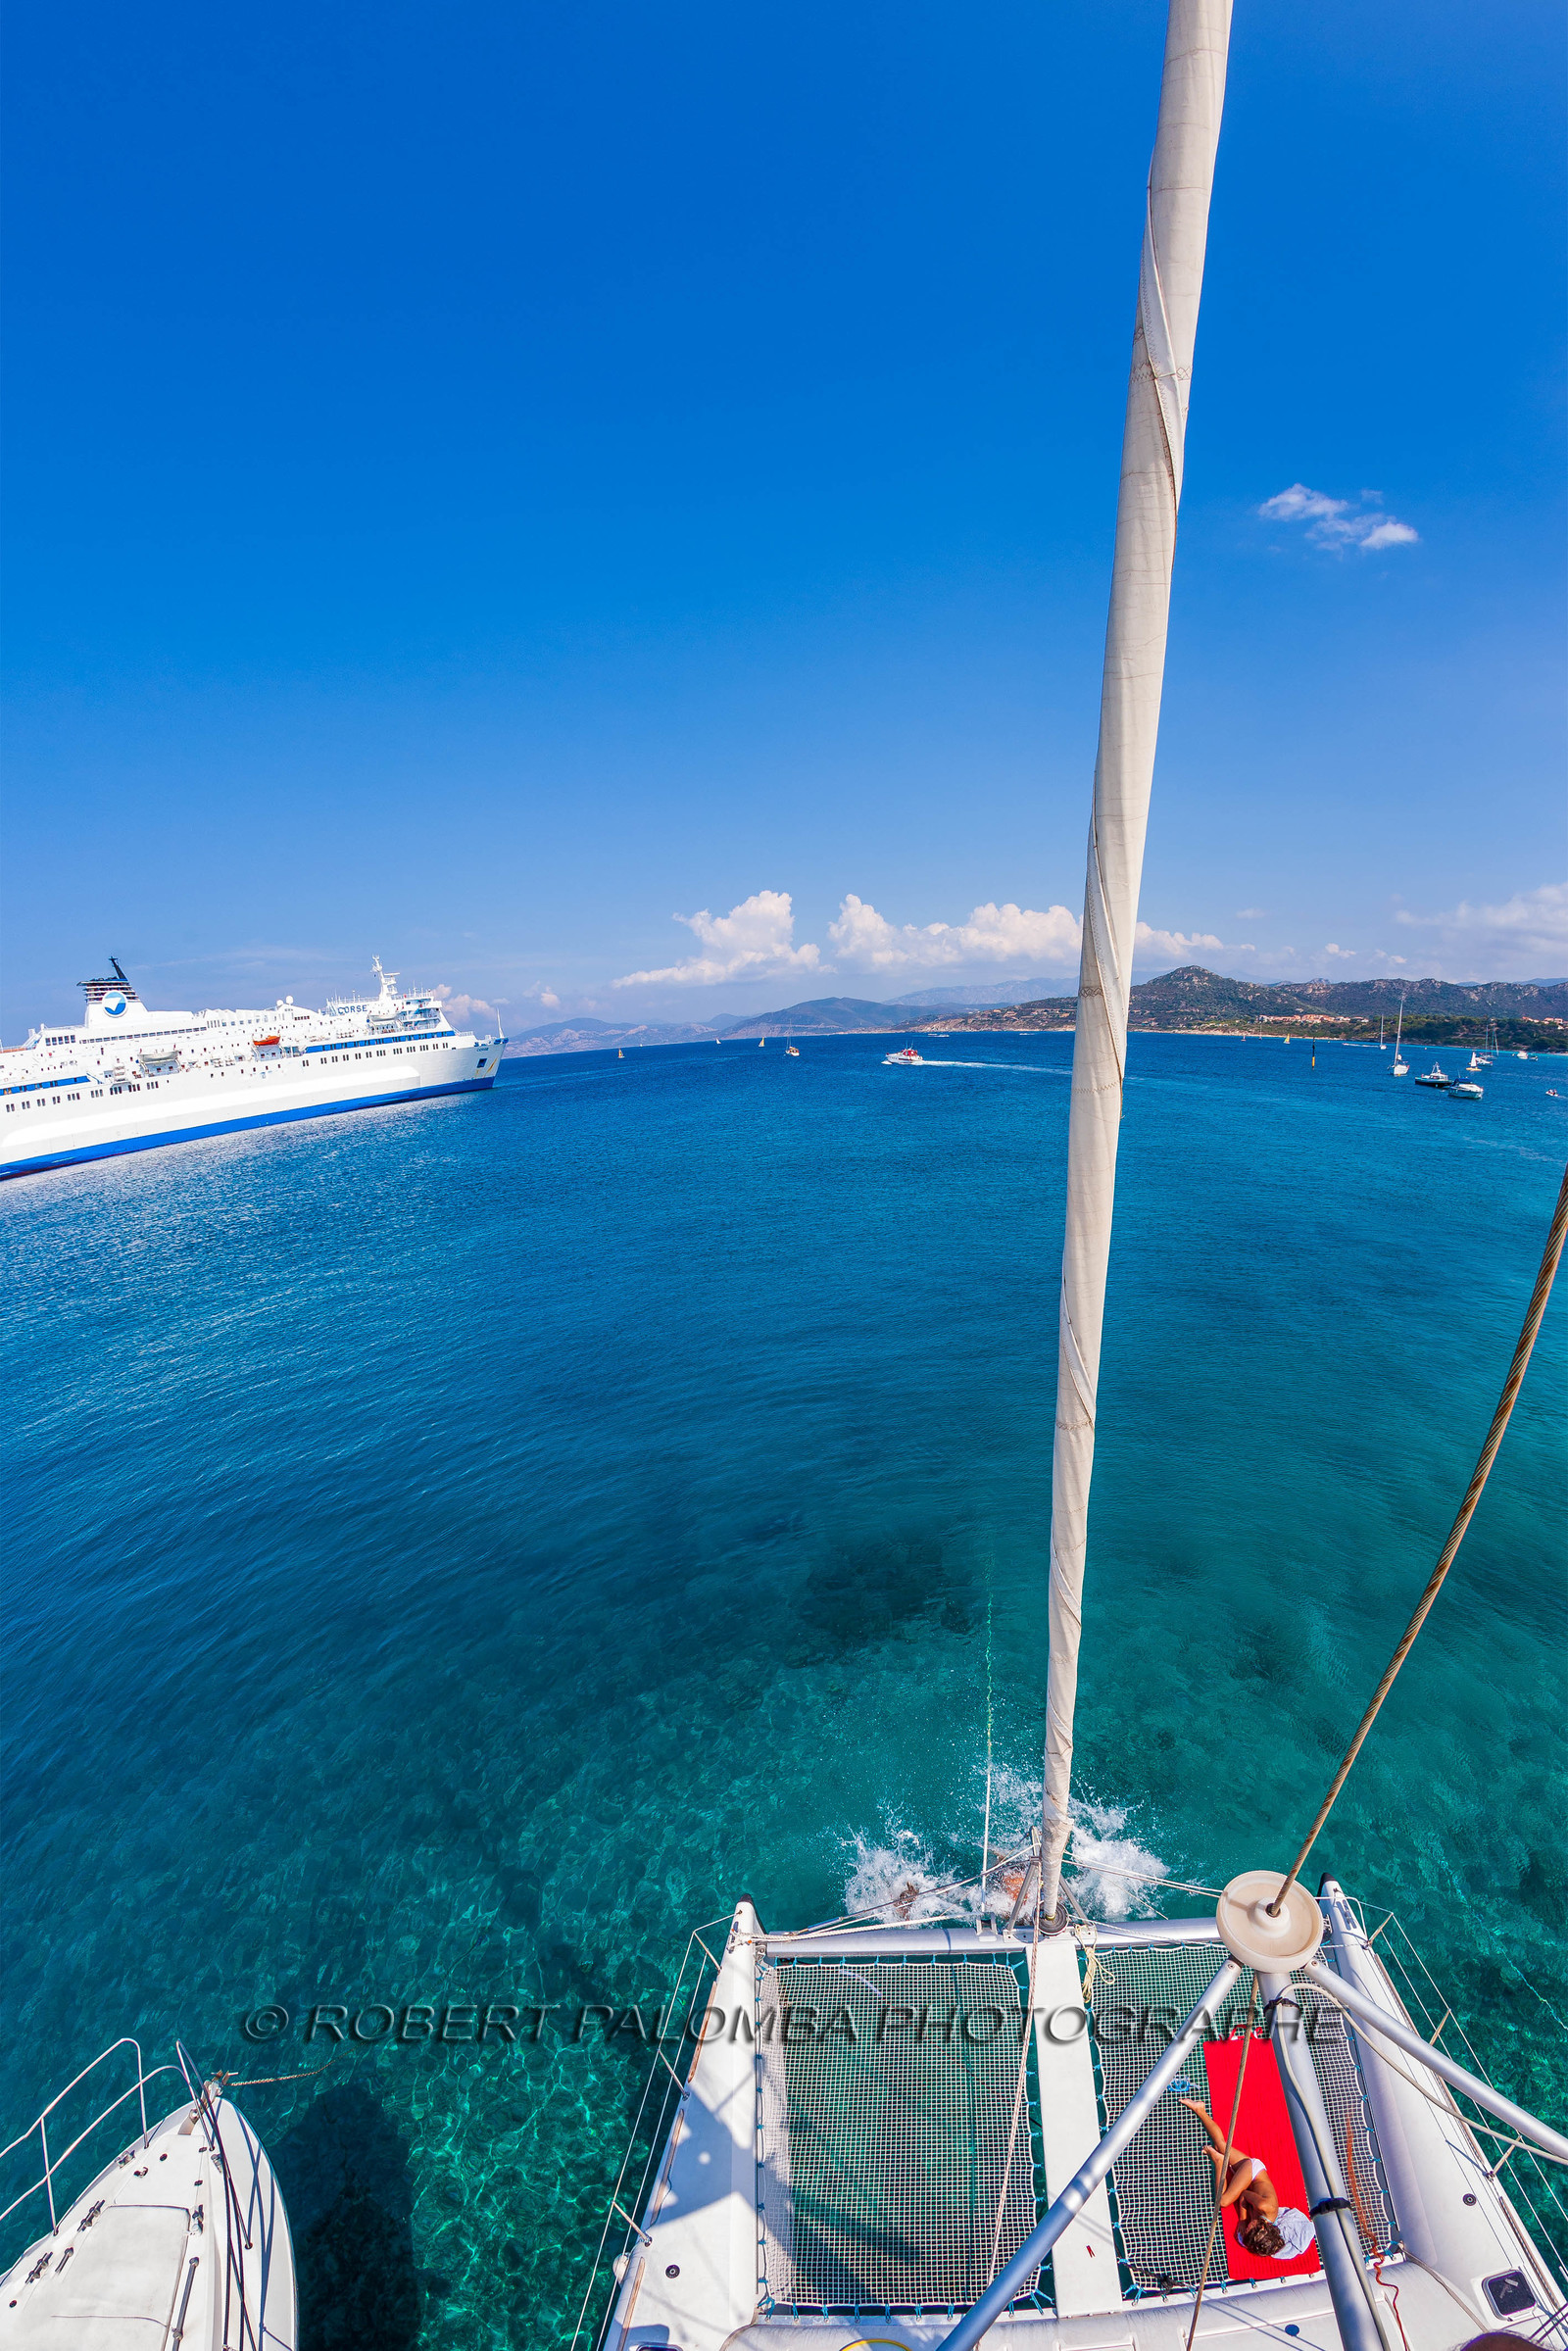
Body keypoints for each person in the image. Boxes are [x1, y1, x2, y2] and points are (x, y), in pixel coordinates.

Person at [1176, 2091, 1315, 2260]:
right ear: (1263, 2227)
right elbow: (1243, 2195)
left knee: (1221, 2145)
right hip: (1253, 2170)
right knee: (1224, 2201)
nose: (1249, 2225)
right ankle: (1219, 2163)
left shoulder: (1262, 2225)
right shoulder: (1266, 2207)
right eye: (1251, 2226)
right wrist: (1242, 2220)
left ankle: (1200, 2110)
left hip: (1248, 2179)